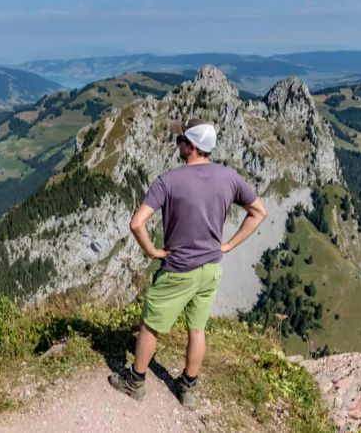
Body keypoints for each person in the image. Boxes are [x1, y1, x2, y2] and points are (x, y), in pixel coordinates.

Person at [108, 118, 267, 407]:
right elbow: (259, 212)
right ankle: (187, 387)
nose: (177, 143)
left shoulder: (169, 180)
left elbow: (136, 223)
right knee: (197, 328)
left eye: (180, 140)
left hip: (179, 269)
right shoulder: (229, 177)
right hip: (211, 269)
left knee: (150, 325)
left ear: (191, 147)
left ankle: (135, 381)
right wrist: (228, 244)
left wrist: (153, 252)